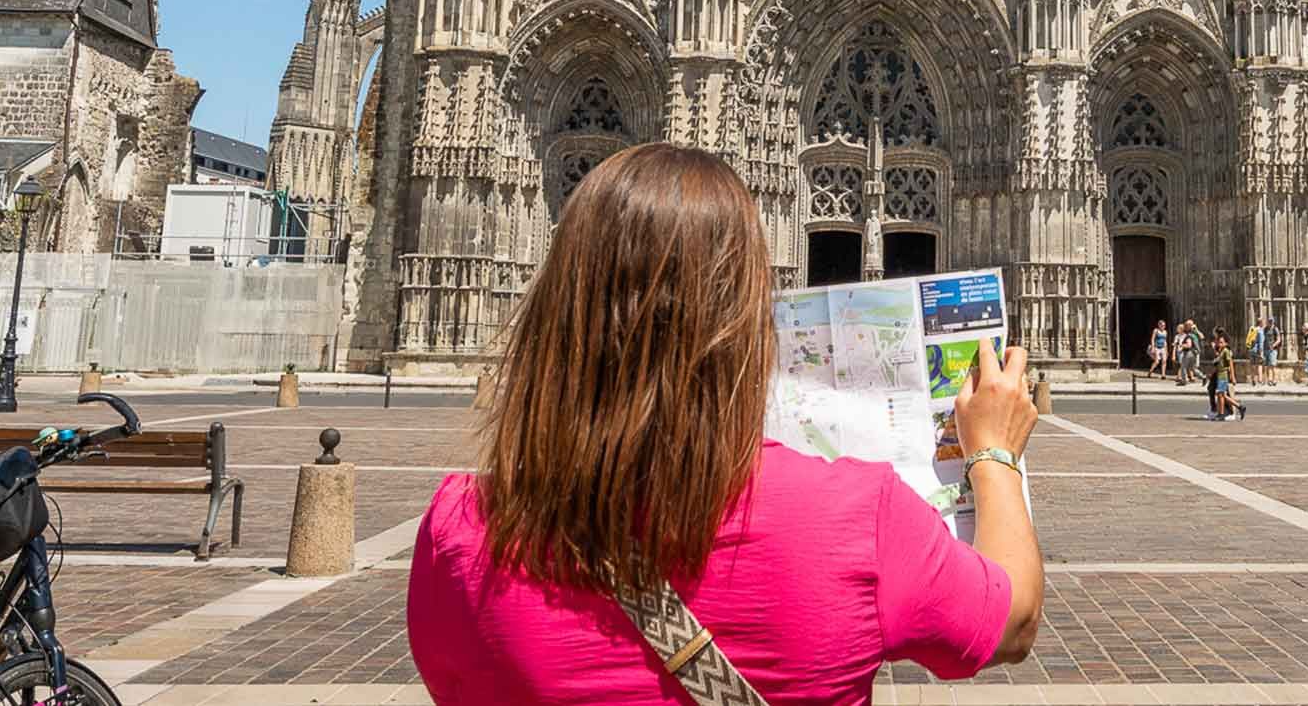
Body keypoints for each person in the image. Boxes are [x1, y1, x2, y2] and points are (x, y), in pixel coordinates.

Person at [407, 143, 1044, 705]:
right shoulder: (856, 515)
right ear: (749, 322)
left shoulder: (461, 527)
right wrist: (994, 453)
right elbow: (1011, 620)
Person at [1210, 333, 1244, 421]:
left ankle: (1221, 414)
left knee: (1220, 394)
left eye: (1221, 342)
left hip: (1223, 375)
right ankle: (1239, 406)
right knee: (1222, 395)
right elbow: (1217, 363)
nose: (1219, 344)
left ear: (1225, 343)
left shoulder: (1226, 351)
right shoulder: (1221, 352)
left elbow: (1230, 364)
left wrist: (1232, 376)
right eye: (1219, 342)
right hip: (1219, 375)